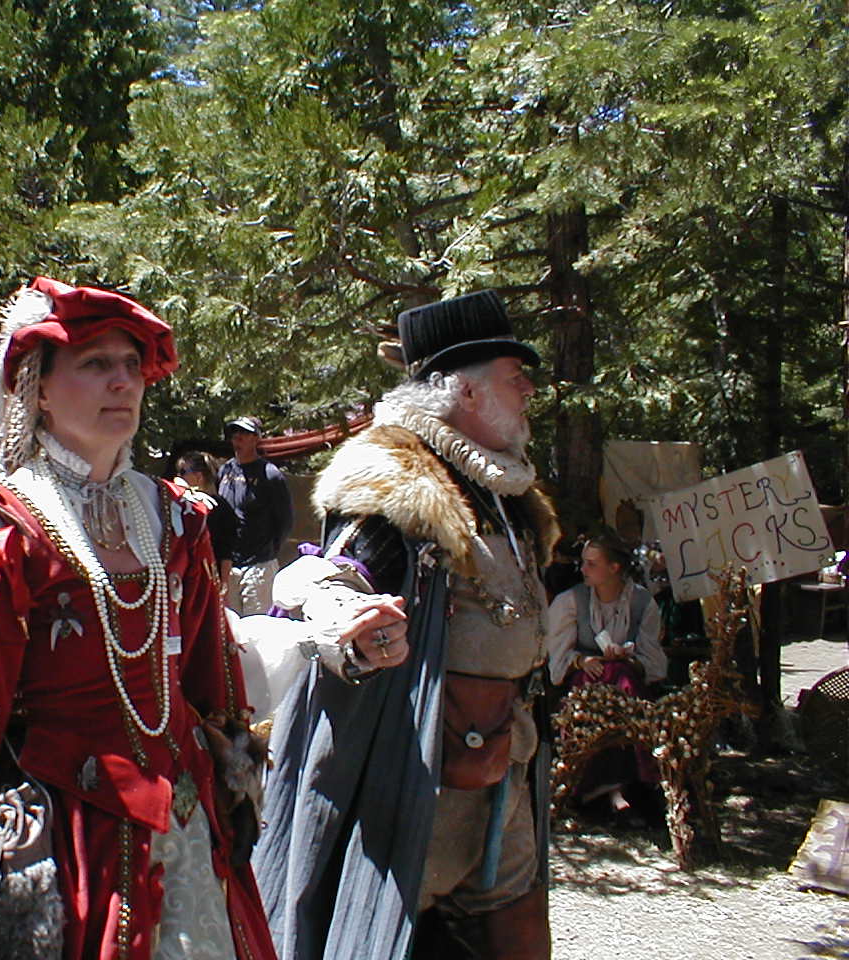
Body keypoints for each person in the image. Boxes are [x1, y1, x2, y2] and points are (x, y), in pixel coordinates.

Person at [0, 276, 276, 960]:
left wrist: (324, 642)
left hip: (186, 822)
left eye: (131, 364)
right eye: (96, 363)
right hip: (65, 830)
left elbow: (214, 663)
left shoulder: (173, 517)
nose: (123, 382)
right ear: (38, 389)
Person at [250, 290, 557, 959]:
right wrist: (352, 623)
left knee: (514, 929)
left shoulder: (503, 490)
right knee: (390, 931)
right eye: (514, 376)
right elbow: (330, 579)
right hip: (416, 766)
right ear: (466, 391)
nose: (530, 389)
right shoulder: (398, 481)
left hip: (505, 755)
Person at [546, 533, 667, 819]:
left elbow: (652, 661)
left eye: (592, 564)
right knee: (592, 690)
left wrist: (628, 659)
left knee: (624, 681)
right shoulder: (571, 601)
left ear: (614, 568)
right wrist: (582, 660)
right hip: (584, 681)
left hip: (627, 683)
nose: (583, 569)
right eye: (584, 563)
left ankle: (637, 783)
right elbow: (557, 657)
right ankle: (589, 787)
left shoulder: (640, 602)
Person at [217, 416, 293, 614]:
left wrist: (268, 551)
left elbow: (285, 522)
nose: (237, 438)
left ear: (256, 438)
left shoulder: (270, 474)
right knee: (231, 625)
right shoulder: (225, 471)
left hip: (259, 566)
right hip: (229, 567)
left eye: (244, 433)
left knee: (257, 625)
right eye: (235, 433)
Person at [174, 449, 238, 585]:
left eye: (183, 472)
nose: (178, 477)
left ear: (199, 476)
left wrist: (224, 584)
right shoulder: (179, 505)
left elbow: (226, 550)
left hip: (208, 577)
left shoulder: (220, 508)